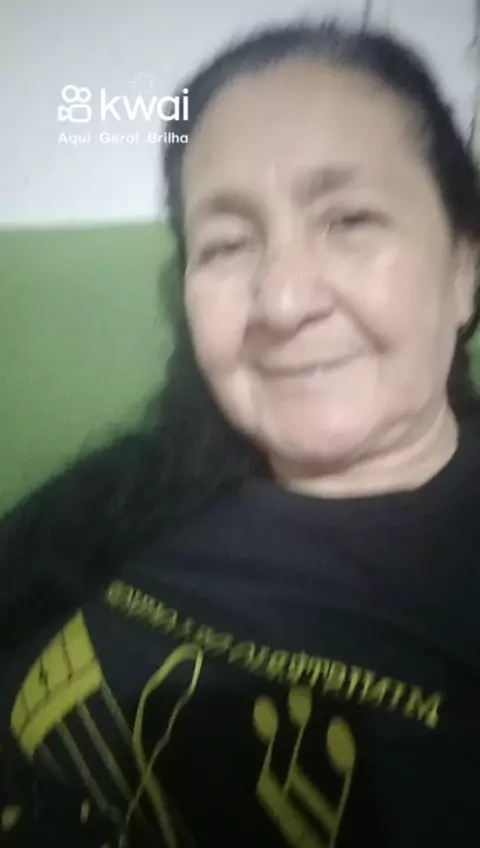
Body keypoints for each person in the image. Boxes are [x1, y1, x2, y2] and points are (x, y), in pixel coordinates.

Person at [1, 16, 480, 848]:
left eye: (349, 219)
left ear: (465, 266)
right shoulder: (120, 499)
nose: (284, 303)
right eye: (226, 244)